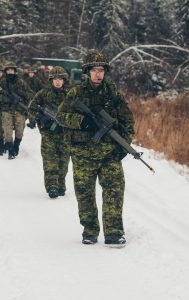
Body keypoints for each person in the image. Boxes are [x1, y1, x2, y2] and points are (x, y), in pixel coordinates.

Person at [57, 50, 134, 246]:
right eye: (94, 70)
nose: (98, 74)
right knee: (85, 194)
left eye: (101, 70)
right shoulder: (76, 93)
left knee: (114, 192)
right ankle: (90, 231)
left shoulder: (113, 94)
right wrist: (82, 122)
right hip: (82, 154)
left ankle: (114, 232)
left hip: (109, 154)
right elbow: (61, 116)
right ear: (87, 71)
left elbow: (128, 121)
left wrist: (124, 146)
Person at [29, 66, 70, 199]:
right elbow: (31, 108)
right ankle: (52, 186)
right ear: (51, 80)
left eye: (60, 79)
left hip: (65, 133)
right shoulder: (43, 93)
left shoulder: (70, 95)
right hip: (48, 133)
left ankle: (61, 184)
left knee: (63, 161)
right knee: (50, 160)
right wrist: (40, 118)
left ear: (64, 80)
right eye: (55, 79)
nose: (58, 82)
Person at [1, 61, 32, 159]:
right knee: (7, 131)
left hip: (19, 110)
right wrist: (4, 98)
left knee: (19, 131)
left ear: (15, 71)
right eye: (8, 70)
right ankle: (10, 151)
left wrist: (21, 94)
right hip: (6, 110)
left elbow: (30, 95)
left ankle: (16, 146)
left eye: (12, 70)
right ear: (6, 71)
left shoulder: (21, 82)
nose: (10, 72)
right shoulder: (2, 82)